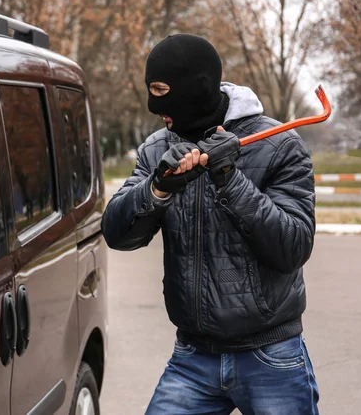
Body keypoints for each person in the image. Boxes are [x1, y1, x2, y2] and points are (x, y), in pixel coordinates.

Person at [101, 34, 319, 414]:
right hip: (193, 356)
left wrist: (230, 179)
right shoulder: (157, 148)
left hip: (271, 354)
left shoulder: (279, 145)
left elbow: (293, 246)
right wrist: (157, 188)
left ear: (195, 88)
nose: (155, 106)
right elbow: (117, 234)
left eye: (161, 90)